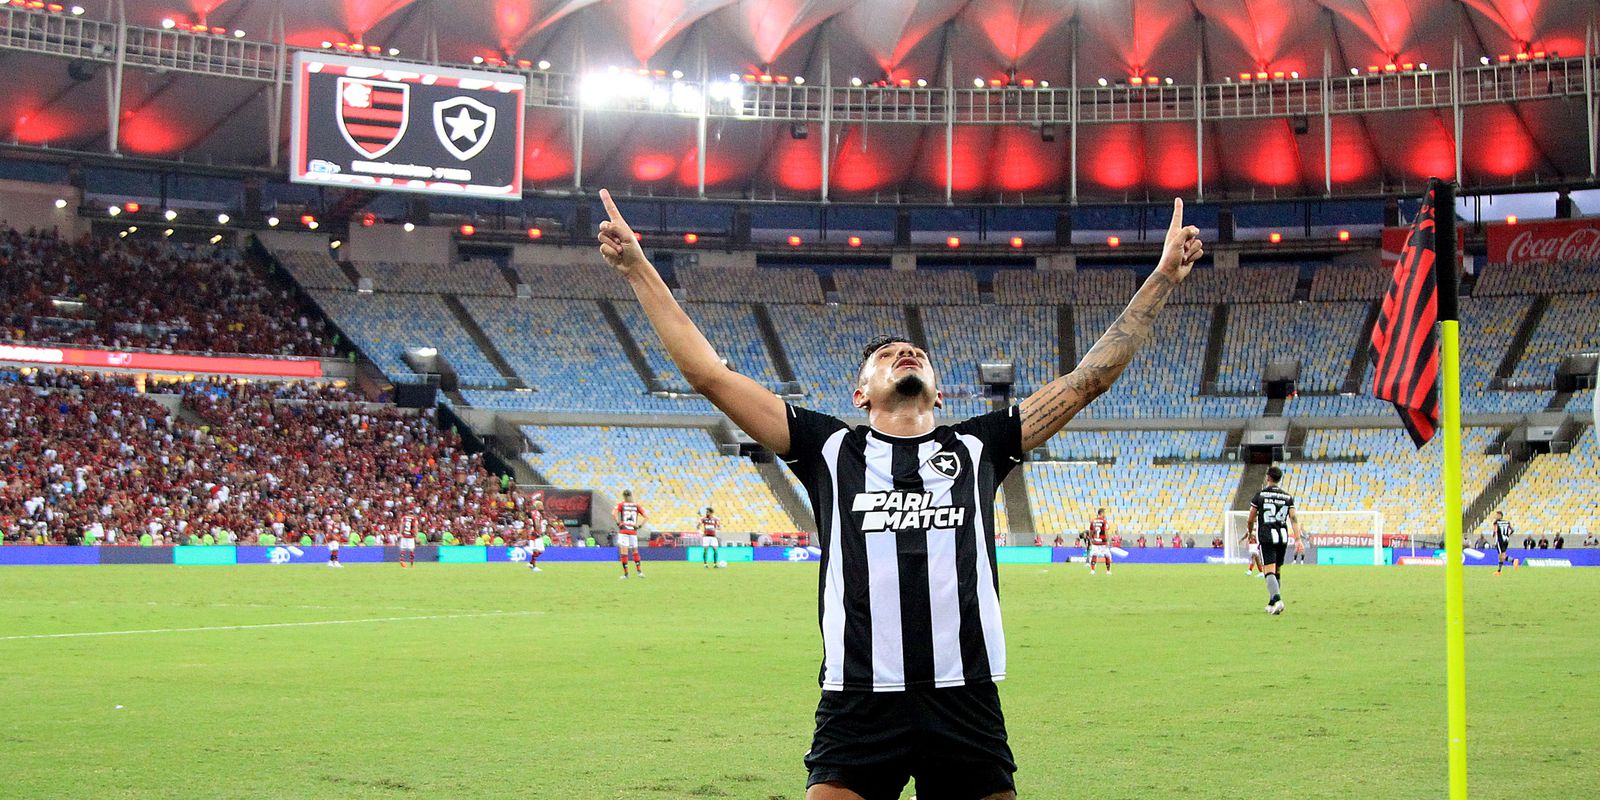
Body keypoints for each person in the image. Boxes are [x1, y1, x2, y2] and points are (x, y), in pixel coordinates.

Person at [596, 188, 1203, 800]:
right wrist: (638, 268)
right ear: (860, 395)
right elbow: (709, 374)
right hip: (859, 696)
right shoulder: (828, 448)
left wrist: (1160, 281)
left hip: (963, 692)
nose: (905, 354)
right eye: (887, 356)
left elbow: (1087, 380)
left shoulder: (981, 445)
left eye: (915, 355)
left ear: (939, 393)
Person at [1247, 466, 1301, 615]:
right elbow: (1293, 518)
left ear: (1268, 477)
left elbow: (1251, 518)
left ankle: (1277, 600)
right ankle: (1271, 603)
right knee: (1277, 570)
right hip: (1282, 537)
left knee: (1268, 571)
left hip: (1267, 536)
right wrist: (1298, 539)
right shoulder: (1287, 497)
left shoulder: (1260, 495)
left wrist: (1250, 532)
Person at [614, 489, 646, 579]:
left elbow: (614, 514)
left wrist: (618, 523)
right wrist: (639, 526)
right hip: (633, 531)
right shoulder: (636, 506)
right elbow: (646, 517)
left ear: (623, 496)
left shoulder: (621, 505)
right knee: (635, 552)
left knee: (624, 553)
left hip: (624, 531)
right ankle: (639, 572)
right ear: (631, 495)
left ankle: (626, 574)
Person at [1087, 508, 1112, 575]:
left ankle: (1092, 570)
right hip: (1103, 542)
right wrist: (1107, 541)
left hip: (1095, 541)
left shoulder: (1093, 521)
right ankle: (1108, 571)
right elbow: (1106, 531)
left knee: (1094, 555)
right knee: (1107, 555)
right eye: (1104, 513)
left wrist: (1091, 538)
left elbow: (1091, 531)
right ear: (1101, 513)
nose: (1105, 514)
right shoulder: (1104, 521)